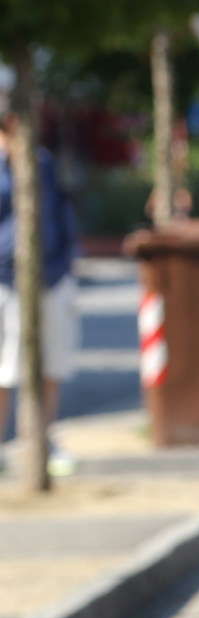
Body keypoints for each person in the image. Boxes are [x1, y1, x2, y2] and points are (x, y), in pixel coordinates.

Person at [0, 108, 82, 477]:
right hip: (6, 280)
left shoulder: (43, 161)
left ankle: (42, 443)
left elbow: (63, 208)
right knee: (5, 368)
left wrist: (66, 262)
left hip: (51, 274)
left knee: (52, 363)